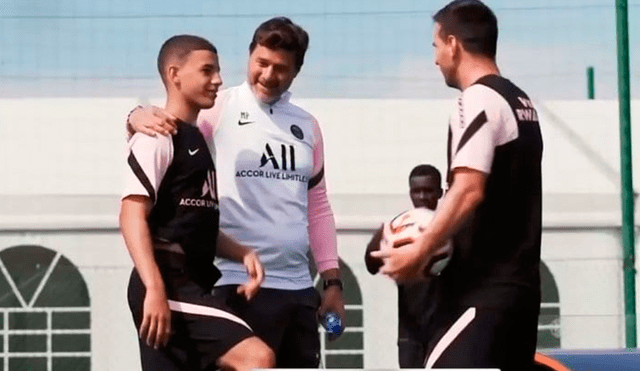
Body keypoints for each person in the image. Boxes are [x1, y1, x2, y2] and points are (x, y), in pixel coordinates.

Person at [127, 17, 345, 368]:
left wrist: (332, 281)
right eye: (261, 63)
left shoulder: (307, 126)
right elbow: (169, 126)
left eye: (281, 68)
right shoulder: (218, 106)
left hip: (298, 286)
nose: (269, 75)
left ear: (296, 72)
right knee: (256, 360)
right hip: (238, 286)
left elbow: (318, 206)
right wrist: (135, 115)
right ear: (249, 57)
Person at [371, 1, 543, 370]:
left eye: (435, 47)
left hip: (483, 295)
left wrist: (418, 253)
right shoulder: (521, 101)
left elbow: (468, 189)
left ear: (453, 43)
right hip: (521, 294)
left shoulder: (477, 99)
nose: (435, 59)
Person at [120, 34, 275, 371]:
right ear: (175, 74)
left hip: (192, 281)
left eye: (218, 71)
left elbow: (194, 224)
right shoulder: (157, 134)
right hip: (167, 283)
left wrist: (243, 252)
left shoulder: (199, 139)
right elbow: (131, 215)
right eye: (207, 71)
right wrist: (155, 287)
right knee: (257, 358)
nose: (217, 79)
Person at [364, 164, 443, 368]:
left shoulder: (449, 229)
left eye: (429, 190)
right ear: (410, 193)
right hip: (410, 332)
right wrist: (384, 233)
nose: (423, 197)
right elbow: (371, 264)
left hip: (444, 328)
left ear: (440, 192)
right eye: (417, 191)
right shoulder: (398, 231)